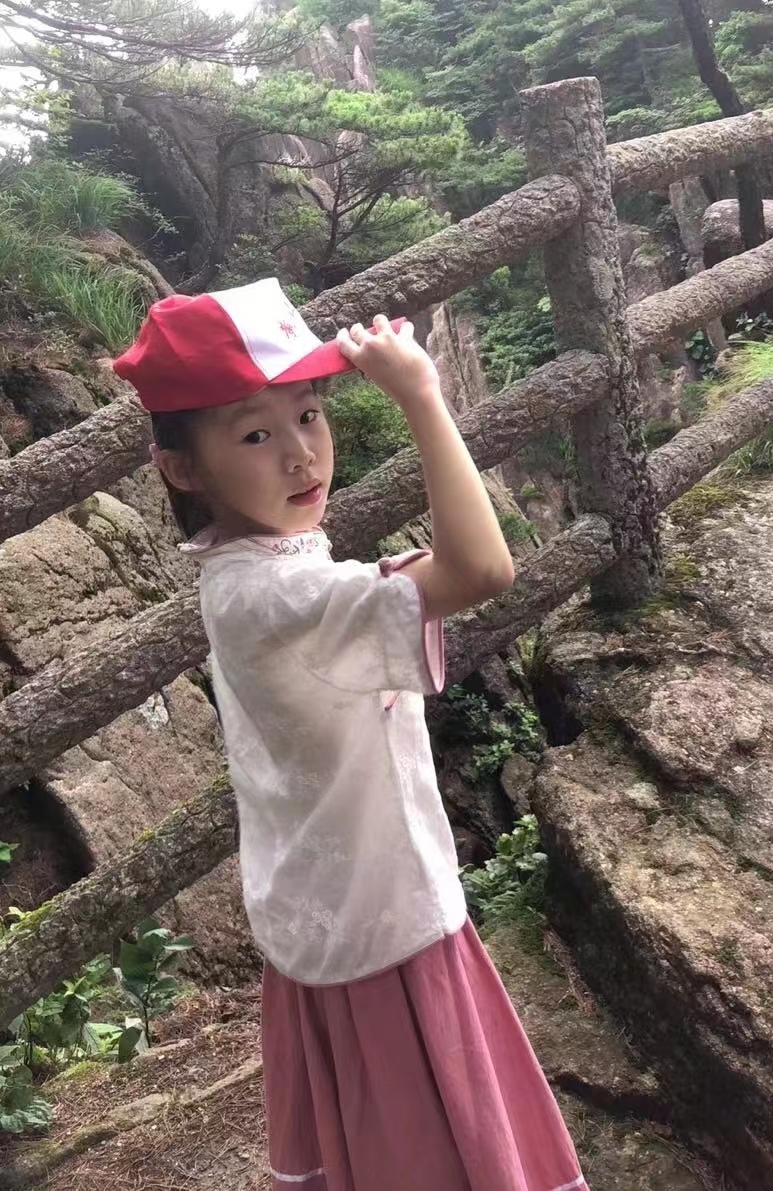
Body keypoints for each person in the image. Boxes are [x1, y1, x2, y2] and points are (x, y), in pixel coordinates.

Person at [113, 276, 588, 1191]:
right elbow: (484, 568)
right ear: (183, 467)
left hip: (326, 910)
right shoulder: (282, 592)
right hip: (383, 932)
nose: (301, 454)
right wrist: (421, 395)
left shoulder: (250, 560)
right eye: (256, 434)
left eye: (309, 414)